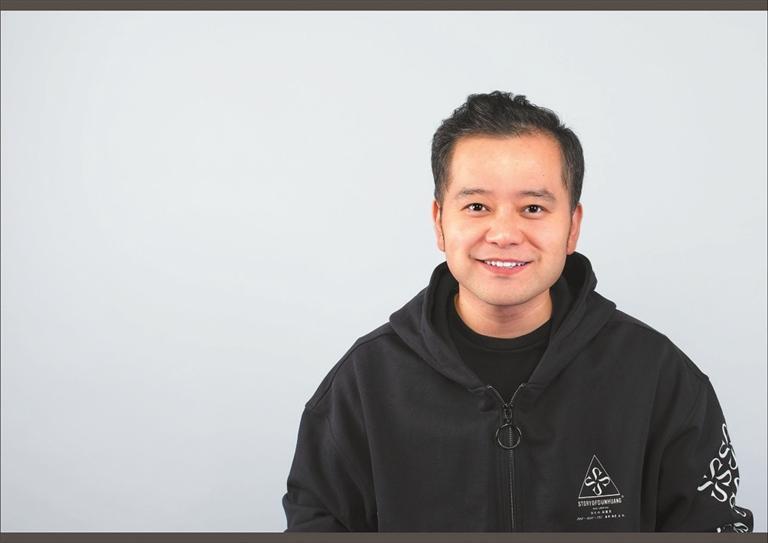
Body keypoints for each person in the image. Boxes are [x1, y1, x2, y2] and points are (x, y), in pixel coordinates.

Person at [281, 91, 753, 532]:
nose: (504, 234)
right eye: (477, 206)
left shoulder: (657, 376)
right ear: (439, 222)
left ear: (572, 226)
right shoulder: (363, 385)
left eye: (532, 208)